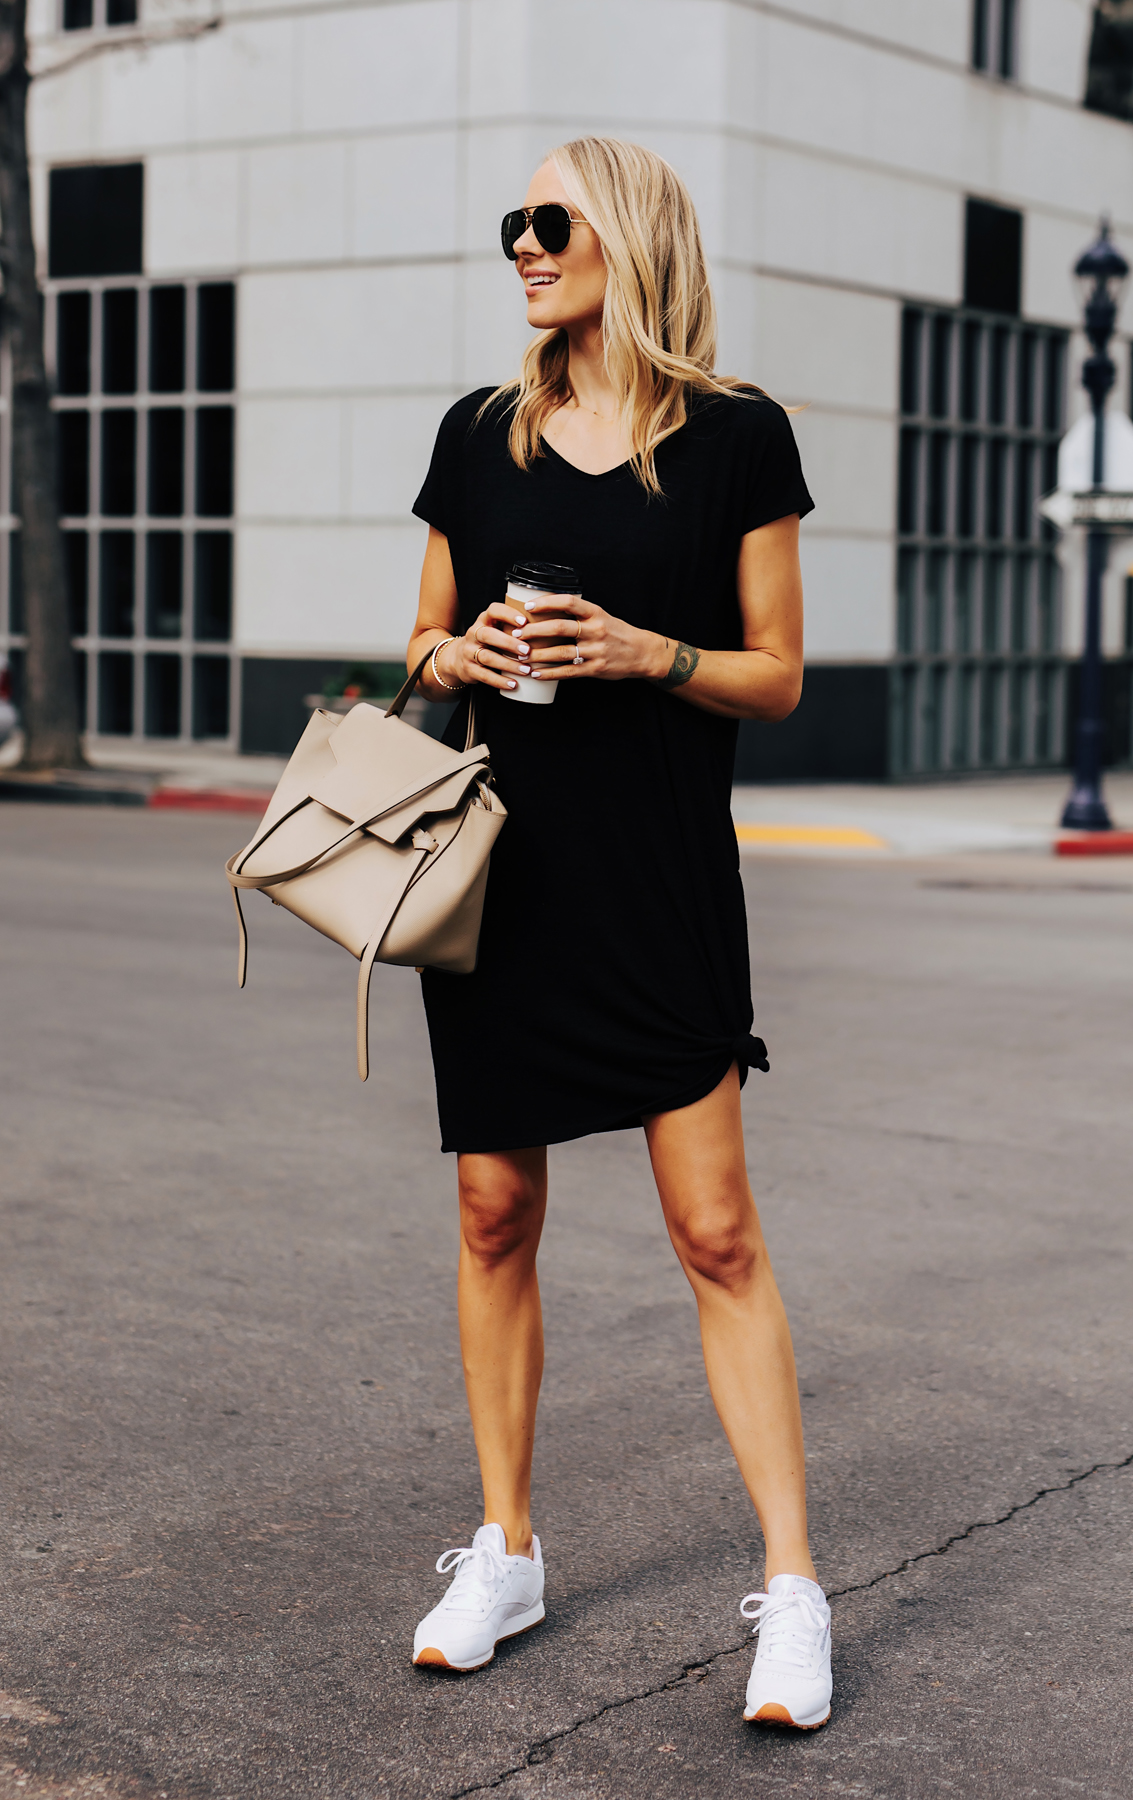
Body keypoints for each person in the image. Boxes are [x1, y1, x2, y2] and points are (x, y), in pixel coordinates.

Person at [404, 136, 831, 1731]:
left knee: (716, 1231)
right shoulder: (476, 434)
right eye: (510, 222)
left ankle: (792, 1587)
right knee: (493, 1216)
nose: (520, 244)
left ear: (628, 238)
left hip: (656, 887)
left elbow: (779, 673)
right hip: (502, 882)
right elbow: (421, 640)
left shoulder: (736, 441)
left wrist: (649, 652)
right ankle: (505, 1545)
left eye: (549, 220)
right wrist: (469, 648)